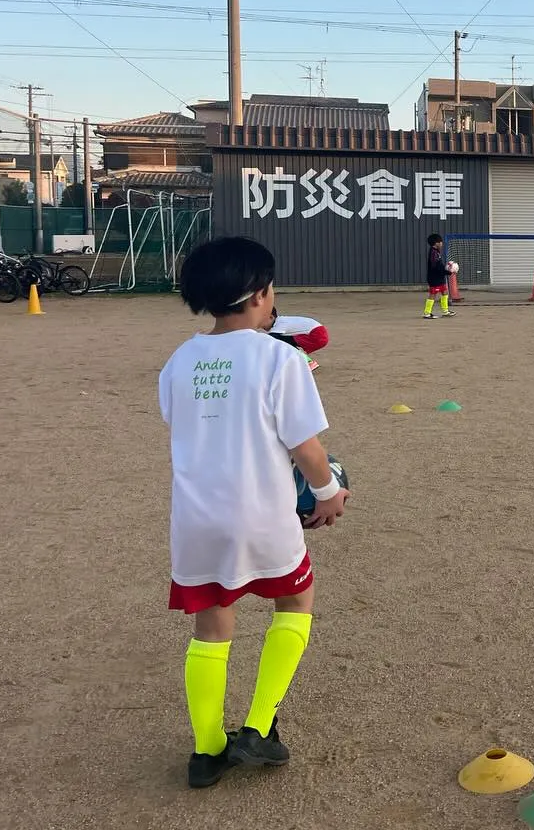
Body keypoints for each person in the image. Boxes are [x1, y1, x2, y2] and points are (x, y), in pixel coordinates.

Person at [160, 236, 348, 789]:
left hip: (196, 519)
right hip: (261, 513)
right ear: (261, 294)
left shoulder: (179, 360)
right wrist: (329, 489)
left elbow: (185, 422)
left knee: (211, 621)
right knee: (295, 598)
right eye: (272, 293)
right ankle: (259, 727)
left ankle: (206, 750)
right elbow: (306, 446)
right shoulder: (280, 357)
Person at [268, 308, 329, 372]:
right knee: (281, 340)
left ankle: (308, 362)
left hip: (316, 335)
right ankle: (306, 361)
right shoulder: (281, 320)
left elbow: (270, 340)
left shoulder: (280, 323)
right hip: (319, 334)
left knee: (280, 340)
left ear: (271, 317)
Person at [423, 233, 453, 319]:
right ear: (436, 243)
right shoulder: (433, 252)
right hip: (434, 278)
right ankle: (427, 313)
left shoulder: (436, 252)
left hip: (440, 277)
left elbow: (439, 265)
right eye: (441, 242)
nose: (442, 244)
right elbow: (436, 266)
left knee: (444, 291)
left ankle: (445, 311)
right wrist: (447, 272)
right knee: (433, 294)